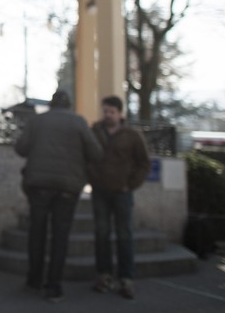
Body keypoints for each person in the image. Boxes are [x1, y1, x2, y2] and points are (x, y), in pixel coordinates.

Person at [14, 89, 102, 303]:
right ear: (69, 104)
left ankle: (34, 280)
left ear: (52, 104)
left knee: (37, 233)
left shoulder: (37, 121)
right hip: (68, 188)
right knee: (60, 236)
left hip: (39, 186)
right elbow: (96, 153)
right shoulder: (79, 122)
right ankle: (54, 286)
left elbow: (22, 148)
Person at [87, 95, 151, 300]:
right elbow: (86, 157)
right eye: (105, 111)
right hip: (100, 191)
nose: (107, 115)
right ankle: (103, 275)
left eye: (111, 112)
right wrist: (92, 179)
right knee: (101, 233)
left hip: (122, 193)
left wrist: (130, 184)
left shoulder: (132, 135)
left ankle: (126, 278)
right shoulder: (95, 131)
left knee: (124, 235)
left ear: (120, 113)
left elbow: (144, 163)